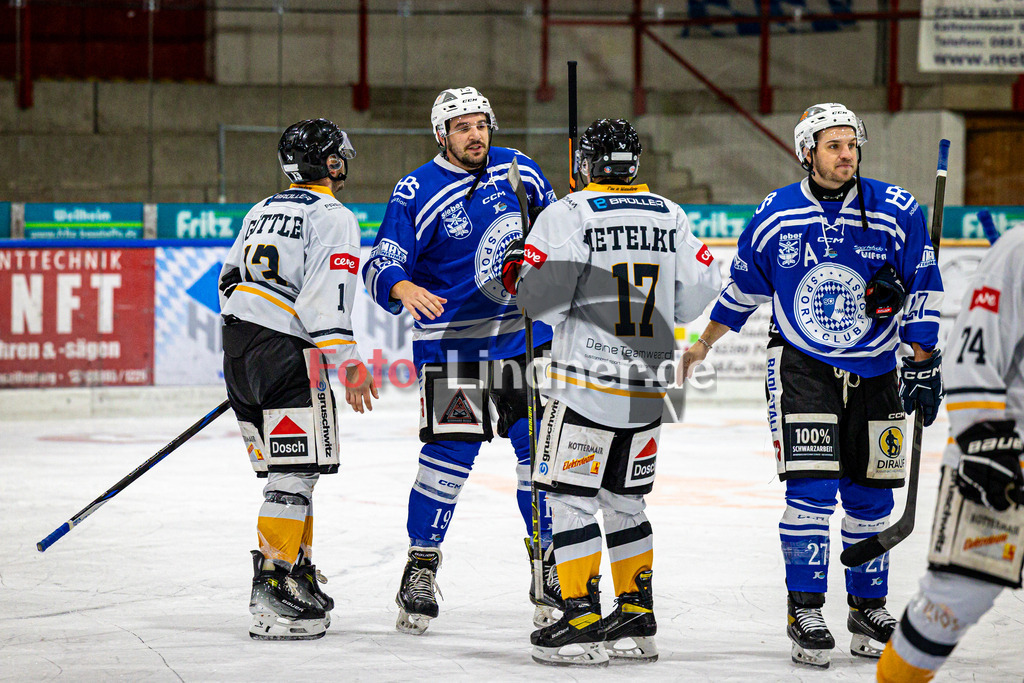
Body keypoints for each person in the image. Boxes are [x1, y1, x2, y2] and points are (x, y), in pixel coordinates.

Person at [681, 103, 945, 669]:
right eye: (833, 145)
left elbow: (925, 282)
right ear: (807, 151)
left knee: (873, 497)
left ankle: (867, 607)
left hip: (877, 368)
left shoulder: (898, 209)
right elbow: (744, 289)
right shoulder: (777, 212)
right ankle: (805, 608)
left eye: (852, 144)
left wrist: (924, 357)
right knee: (812, 491)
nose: (846, 154)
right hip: (802, 368)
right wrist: (704, 343)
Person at [502, 118, 723, 666]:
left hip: (584, 385)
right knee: (627, 501)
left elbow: (537, 301)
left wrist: (516, 274)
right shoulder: (671, 215)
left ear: (587, 163)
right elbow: (699, 293)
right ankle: (636, 617)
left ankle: (579, 620)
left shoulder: (568, 213)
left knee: (570, 500)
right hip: (649, 386)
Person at [361, 86, 560, 634]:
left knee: (538, 455)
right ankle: (421, 566)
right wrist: (401, 287)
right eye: (462, 126)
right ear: (442, 135)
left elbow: (557, 233)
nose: (475, 134)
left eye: (480, 124)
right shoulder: (416, 190)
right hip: (454, 348)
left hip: (523, 339)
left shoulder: (521, 170)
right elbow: (381, 260)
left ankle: (548, 565)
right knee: (448, 457)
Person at [219, 118, 377, 640]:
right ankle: (272, 584)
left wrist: (250, 352)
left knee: (289, 472)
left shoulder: (261, 208)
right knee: (296, 472)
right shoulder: (333, 215)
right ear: (330, 163)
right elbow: (324, 299)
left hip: (240, 346)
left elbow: (228, 280)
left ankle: (297, 572)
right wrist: (348, 361)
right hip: (286, 350)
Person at [878, 226, 1024, 682]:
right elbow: (972, 351)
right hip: (1003, 459)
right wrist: (982, 441)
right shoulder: (1018, 250)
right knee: (952, 602)